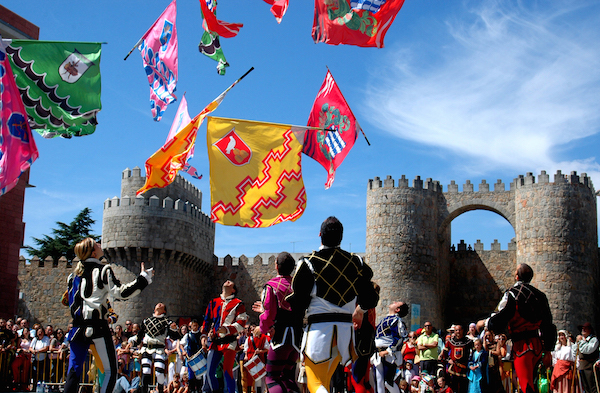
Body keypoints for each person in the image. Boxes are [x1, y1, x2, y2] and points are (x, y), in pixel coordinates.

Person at [287, 216, 379, 393]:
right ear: (341, 237)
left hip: (319, 333)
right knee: (326, 381)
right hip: (346, 335)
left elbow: (298, 304)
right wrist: (360, 310)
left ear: (320, 234)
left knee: (315, 383)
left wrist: (297, 337)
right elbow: (370, 296)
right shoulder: (356, 262)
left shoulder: (308, 263)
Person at [63, 237, 153, 393]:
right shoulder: (103, 270)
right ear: (93, 251)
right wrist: (142, 279)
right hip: (98, 327)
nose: (100, 244)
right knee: (111, 370)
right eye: (96, 244)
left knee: (73, 372)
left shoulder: (72, 277)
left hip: (77, 329)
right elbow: (121, 292)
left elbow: (70, 303)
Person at [481, 263, 556, 393]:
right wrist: (548, 349)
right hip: (537, 347)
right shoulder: (540, 296)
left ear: (517, 276)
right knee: (532, 383)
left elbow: (502, 317)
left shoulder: (513, 294)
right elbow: (548, 324)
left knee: (525, 385)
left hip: (522, 347)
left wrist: (486, 323)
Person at [252, 251, 303, 393]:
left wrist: (261, 328)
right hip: (297, 338)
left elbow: (270, 314)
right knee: (287, 378)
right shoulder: (299, 286)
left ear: (276, 266)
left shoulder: (272, 286)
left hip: (281, 336)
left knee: (272, 378)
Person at [202, 280, 248, 393]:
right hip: (215, 342)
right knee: (209, 372)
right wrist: (203, 335)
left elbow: (241, 323)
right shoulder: (213, 302)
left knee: (227, 371)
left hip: (230, 342)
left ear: (233, 290)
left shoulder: (238, 303)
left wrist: (227, 329)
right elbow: (207, 320)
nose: (227, 281)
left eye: (231, 283)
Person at [132, 303, 181, 393]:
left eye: (162, 305)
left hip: (159, 349)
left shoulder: (167, 322)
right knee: (146, 371)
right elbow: (140, 335)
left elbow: (176, 336)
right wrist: (134, 345)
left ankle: (161, 390)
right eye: (158, 304)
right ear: (154, 309)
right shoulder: (146, 321)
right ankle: (144, 391)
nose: (159, 304)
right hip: (146, 348)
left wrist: (174, 329)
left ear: (164, 311)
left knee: (159, 372)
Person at [373, 301, 409, 393]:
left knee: (388, 382)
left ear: (397, 310)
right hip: (378, 353)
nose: (394, 302)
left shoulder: (396, 321)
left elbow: (398, 338)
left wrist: (387, 351)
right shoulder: (385, 319)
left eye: (396, 303)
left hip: (389, 354)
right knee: (378, 380)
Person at [439, 325, 472, 393]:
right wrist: (449, 359)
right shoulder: (451, 342)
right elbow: (445, 353)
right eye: (456, 330)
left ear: (462, 330)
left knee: (463, 388)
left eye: (459, 330)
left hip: (463, 369)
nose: (458, 332)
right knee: (454, 387)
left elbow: (474, 352)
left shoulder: (468, 342)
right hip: (453, 369)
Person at [573, 322, 598, 393]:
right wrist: (577, 343)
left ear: (590, 330)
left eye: (585, 329)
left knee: (592, 386)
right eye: (582, 329)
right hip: (582, 366)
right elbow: (574, 351)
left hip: (590, 366)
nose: (583, 330)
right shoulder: (581, 340)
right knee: (585, 387)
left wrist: (581, 341)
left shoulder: (593, 340)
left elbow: (587, 350)